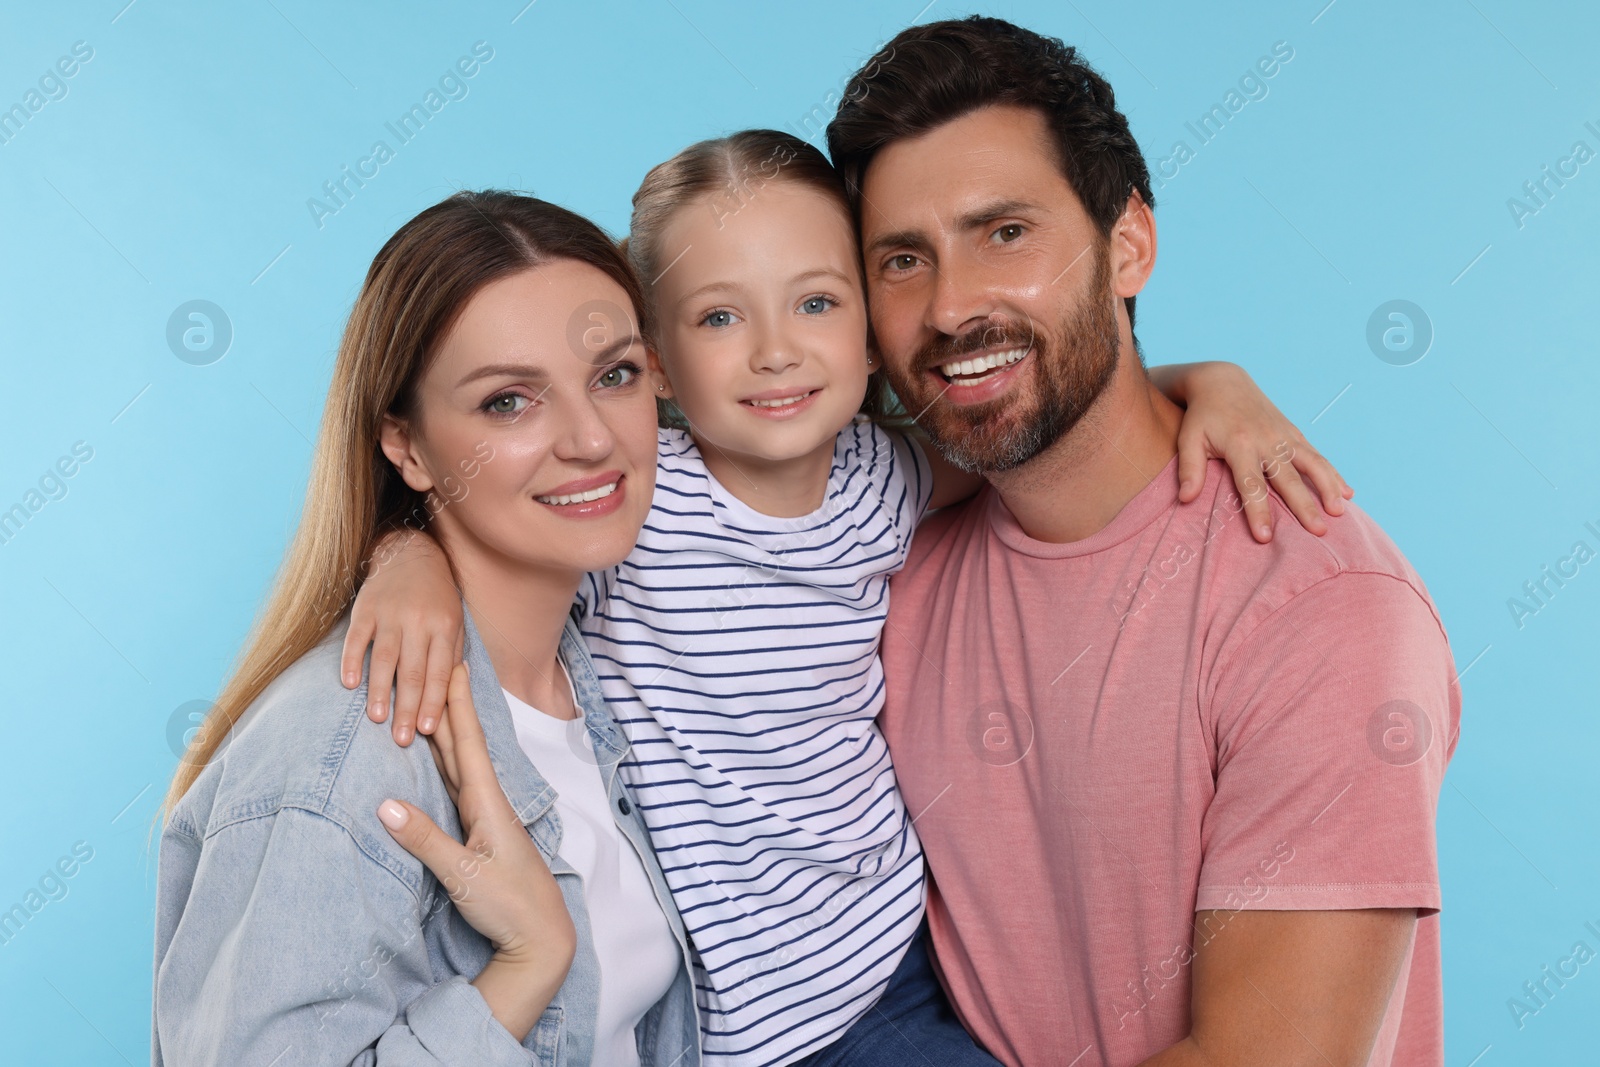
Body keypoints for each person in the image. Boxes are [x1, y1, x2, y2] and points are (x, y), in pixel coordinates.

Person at [345, 130, 1352, 1065]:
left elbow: (1063, 421)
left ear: (873, 339)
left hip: (890, 978)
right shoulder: (631, 500)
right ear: (652, 361)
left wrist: (1207, 380)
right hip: (701, 1024)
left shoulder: (888, 475)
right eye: (719, 316)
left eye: (817, 303)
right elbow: (497, 521)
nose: (775, 349)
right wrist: (407, 554)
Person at [825, 16, 1459, 1067]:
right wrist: (437, 550)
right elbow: (628, 433)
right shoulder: (878, 548)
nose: (949, 306)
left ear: (1128, 244)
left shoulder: (1321, 609)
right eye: (902, 259)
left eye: (1005, 233)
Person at [153, 192, 700, 1067]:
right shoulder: (347, 753)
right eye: (509, 402)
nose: (593, 438)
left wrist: (403, 547)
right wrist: (524, 969)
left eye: (615, 374)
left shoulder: (594, 650)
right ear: (405, 446)